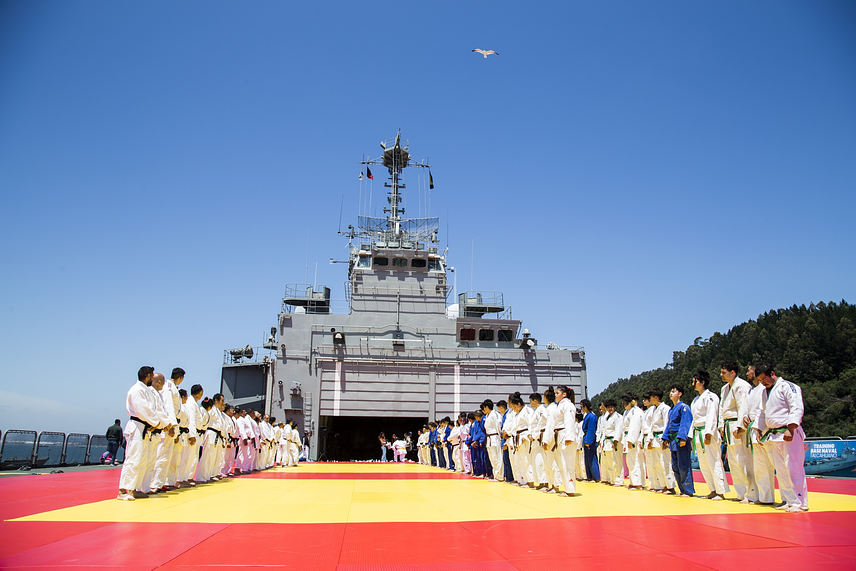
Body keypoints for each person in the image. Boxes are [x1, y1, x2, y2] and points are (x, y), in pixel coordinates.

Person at [755, 362, 808, 513]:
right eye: (760, 380)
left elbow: (796, 407)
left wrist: (791, 428)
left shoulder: (788, 387)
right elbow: (762, 412)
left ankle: (799, 501)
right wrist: (759, 430)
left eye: (764, 378)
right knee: (781, 468)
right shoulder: (765, 392)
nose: (763, 382)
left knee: (793, 467)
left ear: (772, 374)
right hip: (773, 434)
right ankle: (787, 499)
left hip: (788, 432)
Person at [117, 366, 164, 501]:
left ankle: (135, 488)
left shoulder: (146, 390)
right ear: (148, 376)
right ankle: (122, 490)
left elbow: (152, 410)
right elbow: (143, 410)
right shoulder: (137, 390)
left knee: (142, 460)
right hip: (137, 426)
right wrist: (158, 423)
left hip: (145, 428)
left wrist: (156, 423)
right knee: (133, 459)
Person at [719, 360, 757, 503]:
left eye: (724, 372)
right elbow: (721, 409)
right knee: (734, 462)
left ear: (733, 372)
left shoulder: (742, 386)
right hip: (728, 425)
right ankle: (740, 493)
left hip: (737, 425)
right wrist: (721, 425)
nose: (721, 375)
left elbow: (743, 407)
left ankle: (751, 493)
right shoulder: (724, 389)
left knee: (744, 461)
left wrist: (740, 426)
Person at [691, 370, 729, 500]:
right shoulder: (696, 399)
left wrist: (708, 433)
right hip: (698, 432)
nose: (693, 383)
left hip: (707, 433)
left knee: (714, 461)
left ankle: (720, 491)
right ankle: (712, 489)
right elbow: (694, 419)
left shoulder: (711, 397)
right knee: (704, 464)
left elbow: (712, 416)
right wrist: (692, 436)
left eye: (695, 381)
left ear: (702, 382)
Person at [743, 364, 776, 504]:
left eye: (749, 370)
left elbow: (764, 409)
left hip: (766, 428)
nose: (747, 373)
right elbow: (748, 408)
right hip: (754, 429)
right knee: (760, 466)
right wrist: (745, 416)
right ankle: (764, 497)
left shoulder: (765, 388)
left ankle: (788, 498)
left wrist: (760, 426)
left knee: (773, 464)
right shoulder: (752, 390)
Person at [662, 384, 695, 497]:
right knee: (675, 466)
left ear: (680, 394)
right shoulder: (671, 410)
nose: (671, 393)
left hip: (680, 440)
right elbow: (668, 426)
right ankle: (681, 489)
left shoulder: (684, 407)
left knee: (683, 465)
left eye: (674, 391)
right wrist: (665, 438)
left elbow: (685, 423)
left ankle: (688, 490)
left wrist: (682, 438)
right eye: (670, 391)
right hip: (673, 441)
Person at [646, 390, 675, 494]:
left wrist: (666, 439)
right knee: (657, 463)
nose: (650, 399)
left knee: (665, 462)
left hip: (662, 436)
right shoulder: (653, 409)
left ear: (656, 397)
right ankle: (663, 485)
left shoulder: (665, 408)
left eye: (651, 397)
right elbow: (651, 426)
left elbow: (667, 423)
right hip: (654, 437)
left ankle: (670, 486)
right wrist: (649, 440)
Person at [621, 394, 644, 490]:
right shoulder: (627, 412)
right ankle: (633, 481)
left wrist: (631, 440)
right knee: (630, 461)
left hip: (633, 438)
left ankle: (637, 483)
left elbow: (635, 427)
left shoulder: (636, 412)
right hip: (627, 436)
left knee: (635, 461)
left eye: (625, 402)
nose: (624, 404)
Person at [600, 399, 624, 486]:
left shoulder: (618, 417)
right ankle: (611, 479)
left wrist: (616, 441)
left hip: (614, 441)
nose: (610, 409)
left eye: (612, 407)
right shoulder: (606, 417)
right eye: (608, 407)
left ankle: (618, 480)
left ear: (615, 407)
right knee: (609, 462)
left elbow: (618, 430)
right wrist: (602, 441)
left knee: (616, 462)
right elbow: (604, 430)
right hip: (607, 441)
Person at [483, 400, 504, 481]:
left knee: (497, 457)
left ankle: (499, 476)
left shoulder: (495, 414)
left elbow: (498, 424)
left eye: (484, 407)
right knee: (492, 457)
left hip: (495, 437)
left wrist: (500, 435)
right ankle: (495, 475)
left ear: (487, 407)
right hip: (489, 438)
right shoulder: (488, 416)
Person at [580, 399, 600, 481]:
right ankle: (589, 476)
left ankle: (596, 477)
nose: (581, 408)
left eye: (582, 406)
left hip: (589, 439)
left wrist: (589, 441)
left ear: (585, 406)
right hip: (586, 437)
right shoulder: (587, 415)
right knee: (587, 459)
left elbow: (591, 430)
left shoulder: (591, 416)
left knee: (592, 459)